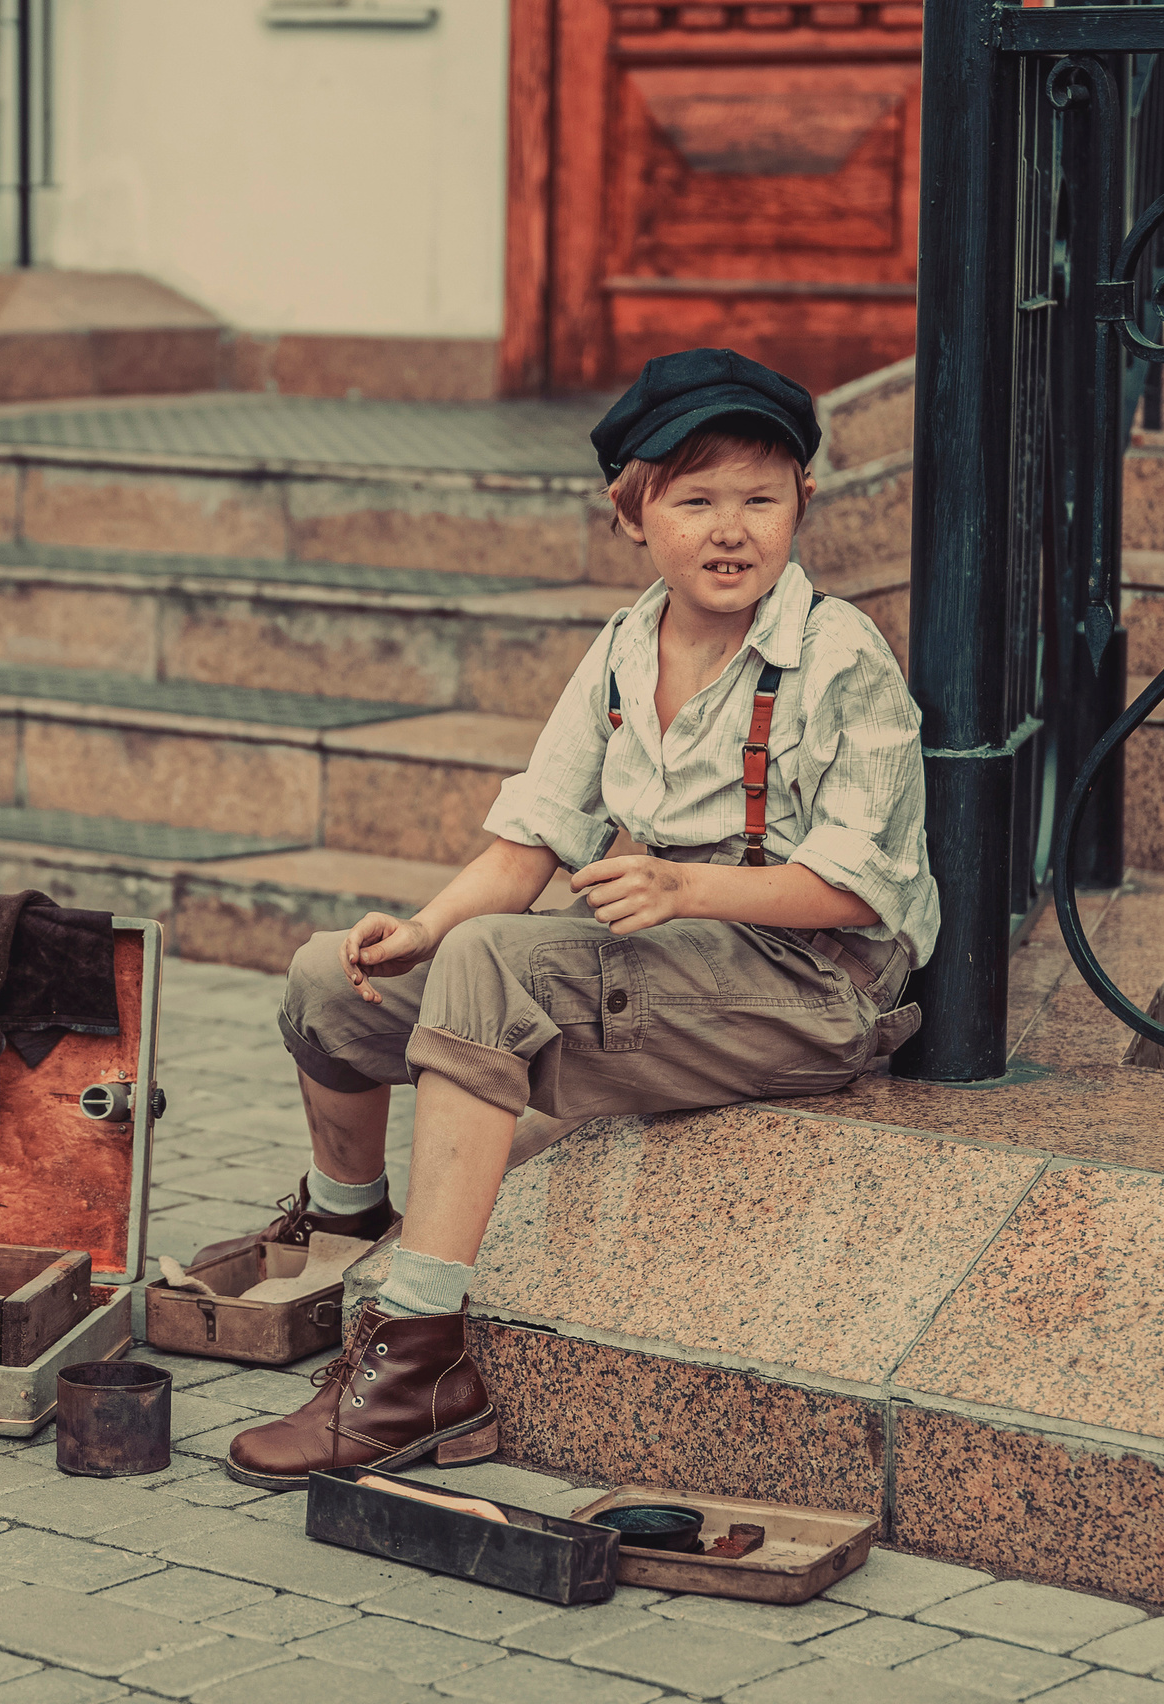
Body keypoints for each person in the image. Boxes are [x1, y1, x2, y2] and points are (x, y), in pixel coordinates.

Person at [210, 349, 940, 1491]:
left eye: (760, 496)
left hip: (808, 987)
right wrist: (423, 924)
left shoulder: (835, 657)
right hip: (668, 956)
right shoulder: (620, 649)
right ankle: (350, 1226)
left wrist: (685, 885)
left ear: (804, 501)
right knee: (326, 976)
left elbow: (860, 885)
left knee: (496, 970)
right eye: (693, 500)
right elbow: (532, 839)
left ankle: (414, 1365)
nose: (729, 529)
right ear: (633, 512)